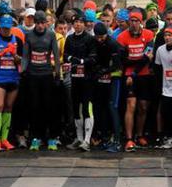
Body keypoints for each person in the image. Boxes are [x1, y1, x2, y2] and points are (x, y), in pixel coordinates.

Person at [21, 10, 61, 151]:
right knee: (34, 107)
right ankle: (35, 137)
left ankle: (51, 138)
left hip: (47, 75)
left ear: (46, 23)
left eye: (42, 23)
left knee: (49, 107)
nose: (40, 26)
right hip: (33, 75)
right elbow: (25, 56)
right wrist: (23, 70)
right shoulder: (29, 36)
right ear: (34, 23)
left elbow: (56, 55)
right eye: (37, 23)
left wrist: (57, 73)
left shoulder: (51, 35)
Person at [117, 11, 155, 152]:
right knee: (130, 105)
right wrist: (142, 60)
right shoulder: (122, 37)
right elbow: (123, 60)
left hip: (144, 75)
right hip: (128, 75)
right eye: (131, 20)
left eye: (136, 21)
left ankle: (140, 135)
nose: (133, 23)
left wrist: (137, 63)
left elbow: (150, 55)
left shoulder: (149, 35)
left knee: (143, 107)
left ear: (141, 22)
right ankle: (129, 139)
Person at [0, 14, 24, 151]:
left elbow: (22, 61)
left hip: (13, 77)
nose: (6, 31)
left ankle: (4, 139)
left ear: (12, 27)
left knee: (8, 107)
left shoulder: (18, 40)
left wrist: (14, 54)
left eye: (8, 28)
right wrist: (0, 54)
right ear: (0, 27)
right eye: (3, 28)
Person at [64, 13, 97, 151]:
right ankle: (78, 137)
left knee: (86, 109)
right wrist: (72, 59)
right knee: (76, 109)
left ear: (84, 24)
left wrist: (82, 61)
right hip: (75, 78)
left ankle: (87, 140)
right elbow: (65, 55)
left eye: (80, 22)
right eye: (75, 22)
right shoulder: (70, 38)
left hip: (87, 79)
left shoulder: (90, 39)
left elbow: (93, 58)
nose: (77, 24)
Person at [92, 22, 123, 152]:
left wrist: (104, 71)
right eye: (98, 37)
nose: (100, 39)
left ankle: (117, 140)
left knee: (112, 107)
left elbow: (117, 64)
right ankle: (104, 137)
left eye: (102, 37)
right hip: (102, 79)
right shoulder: (96, 42)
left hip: (114, 78)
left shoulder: (113, 43)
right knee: (101, 108)